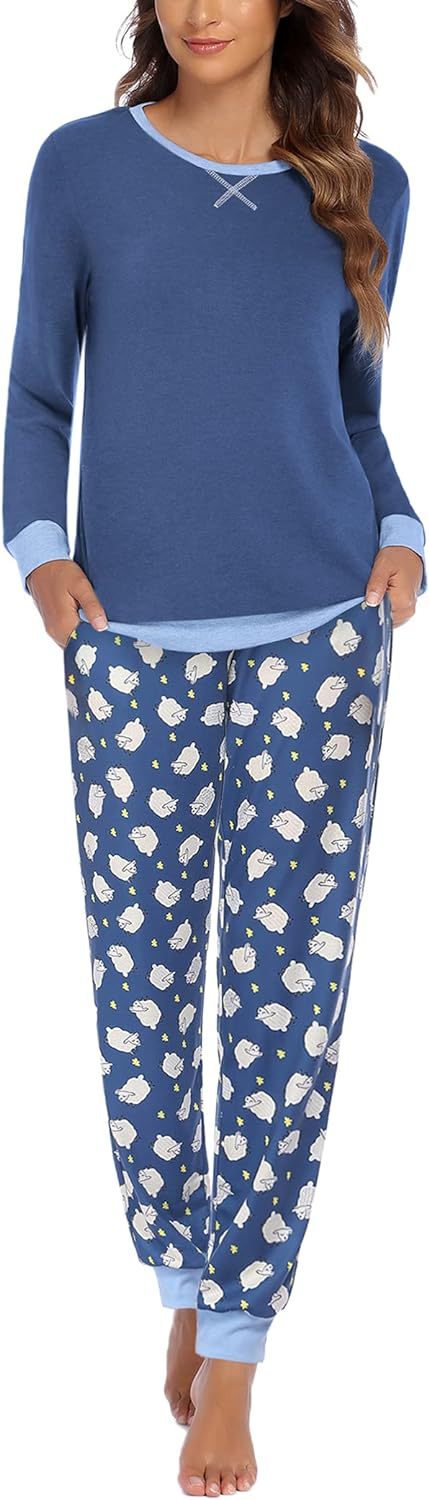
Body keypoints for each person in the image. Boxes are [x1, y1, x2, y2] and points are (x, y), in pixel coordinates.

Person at [2, 1, 426, 1493]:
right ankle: (179, 1270)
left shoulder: (366, 183)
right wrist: (41, 555)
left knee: (284, 998)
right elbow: (35, 393)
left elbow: (354, 406)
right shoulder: (80, 166)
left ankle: (237, 1341)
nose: (200, 9)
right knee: (141, 989)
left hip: (326, 630)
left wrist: (399, 530)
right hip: (125, 643)